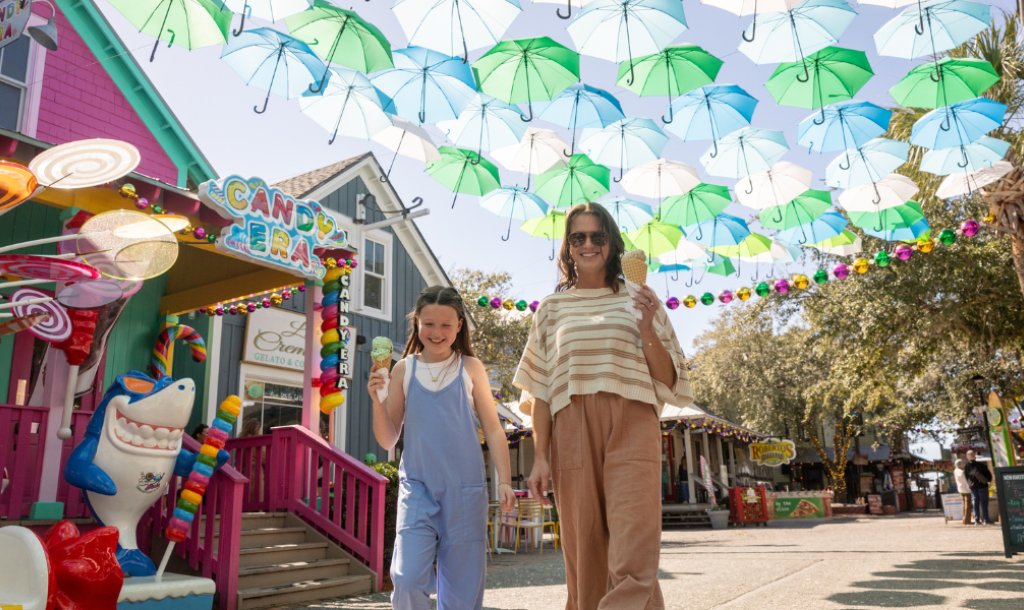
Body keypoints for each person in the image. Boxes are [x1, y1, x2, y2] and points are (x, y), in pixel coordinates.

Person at [514, 203, 693, 610]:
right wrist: (539, 459)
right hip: (571, 425)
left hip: (633, 417)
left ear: (612, 243)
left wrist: (646, 327)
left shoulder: (640, 298)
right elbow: (540, 391)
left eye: (598, 235)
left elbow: (669, 380)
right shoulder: (551, 308)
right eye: (579, 237)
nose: (589, 244)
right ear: (568, 246)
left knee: (633, 544)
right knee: (585, 552)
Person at [368, 286, 516, 610]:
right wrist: (378, 402)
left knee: (462, 594)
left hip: (466, 492)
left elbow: (493, 428)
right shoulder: (403, 369)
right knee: (406, 578)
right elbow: (388, 439)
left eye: (446, 325)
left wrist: (504, 479)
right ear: (417, 323)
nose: (437, 333)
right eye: (429, 324)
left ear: (459, 325)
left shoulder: (471, 367)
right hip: (417, 489)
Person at [963, 450, 992, 525]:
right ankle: (985, 520)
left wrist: (970, 484)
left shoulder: (966, 467)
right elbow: (989, 475)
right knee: (984, 503)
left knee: (975, 503)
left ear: (967, 457)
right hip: (982, 486)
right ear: (975, 456)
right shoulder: (981, 465)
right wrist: (987, 481)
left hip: (973, 487)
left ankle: (977, 520)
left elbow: (966, 477)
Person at [953, 459, 972, 525]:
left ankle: (964, 519)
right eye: (963, 463)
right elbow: (966, 481)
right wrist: (970, 488)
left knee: (964, 505)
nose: (964, 464)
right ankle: (967, 520)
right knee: (968, 505)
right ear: (960, 464)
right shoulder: (961, 471)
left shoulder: (955, 470)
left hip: (961, 489)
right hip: (966, 489)